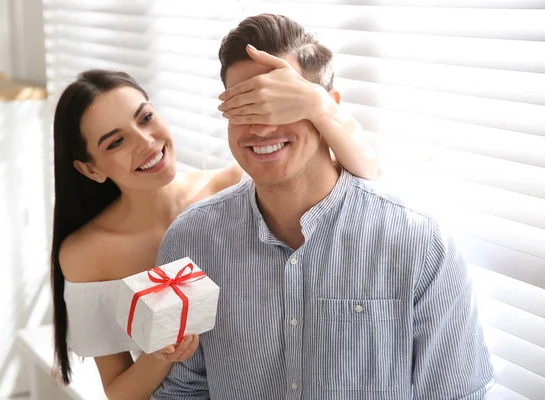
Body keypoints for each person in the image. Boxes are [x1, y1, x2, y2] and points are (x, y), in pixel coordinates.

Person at [152, 14, 494, 399]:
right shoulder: (189, 242)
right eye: (244, 106)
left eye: (280, 104)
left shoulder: (420, 244)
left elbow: (456, 393)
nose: (262, 128)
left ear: (326, 107)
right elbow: (180, 390)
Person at [50, 36, 381, 400]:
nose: (145, 142)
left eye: (145, 118)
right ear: (90, 169)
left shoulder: (233, 186)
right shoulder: (88, 253)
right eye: (115, 142)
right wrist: (163, 355)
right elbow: (118, 392)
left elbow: (367, 180)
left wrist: (318, 105)